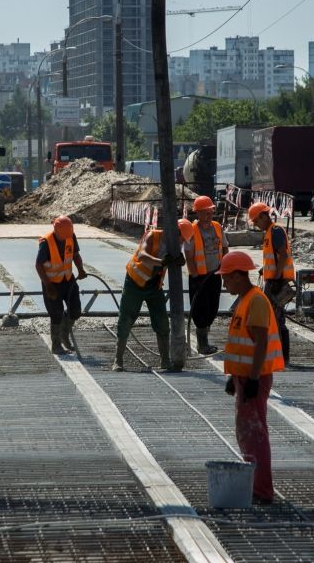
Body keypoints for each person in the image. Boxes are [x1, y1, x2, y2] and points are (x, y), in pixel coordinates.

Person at [217, 251, 285, 505]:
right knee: (247, 433)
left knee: (255, 435)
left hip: (253, 379)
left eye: (226, 278)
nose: (224, 283)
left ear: (238, 276)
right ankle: (255, 485)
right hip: (244, 377)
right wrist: (235, 376)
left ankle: (262, 490)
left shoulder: (255, 301)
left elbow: (260, 344)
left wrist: (253, 379)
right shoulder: (245, 299)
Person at [112, 220, 193, 372]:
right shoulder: (153, 236)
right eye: (181, 239)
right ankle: (118, 360)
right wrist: (161, 262)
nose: (181, 243)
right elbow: (142, 255)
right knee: (126, 319)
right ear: (174, 232)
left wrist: (179, 260)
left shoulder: (175, 246)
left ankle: (165, 361)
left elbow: (174, 260)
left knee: (162, 322)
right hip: (135, 283)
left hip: (154, 286)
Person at [248, 202, 294, 365]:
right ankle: (277, 354)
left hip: (277, 281)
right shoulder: (269, 232)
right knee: (273, 318)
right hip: (273, 279)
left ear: (263, 216)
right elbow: (274, 258)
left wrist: (275, 278)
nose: (256, 224)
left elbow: (283, 256)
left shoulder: (275, 231)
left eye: (256, 221)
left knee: (277, 319)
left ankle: (282, 356)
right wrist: (265, 270)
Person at [35, 216, 87, 355]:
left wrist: (80, 269)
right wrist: (48, 285)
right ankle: (56, 345)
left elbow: (75, 255)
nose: (65, 239)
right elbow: (39, 265)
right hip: (52, 283)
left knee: (75, 311)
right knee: (56, 313)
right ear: (56, 231)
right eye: (62, 237)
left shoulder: (70, 236)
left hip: (68, 280)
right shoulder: (46, 242)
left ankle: (64, 334)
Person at [185, 196, 226, 355]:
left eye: (211, 212)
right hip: (199, 277)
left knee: (213, 309)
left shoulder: (217, 227)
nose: (209, 215)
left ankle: (204, 340)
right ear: (198, 213)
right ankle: (202, 344)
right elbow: (189, 255)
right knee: (200, 311)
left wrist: (225, 268)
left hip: (215, 275)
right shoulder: (192, 230)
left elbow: (225, 247)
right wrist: (194, 275)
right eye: (205, 212)